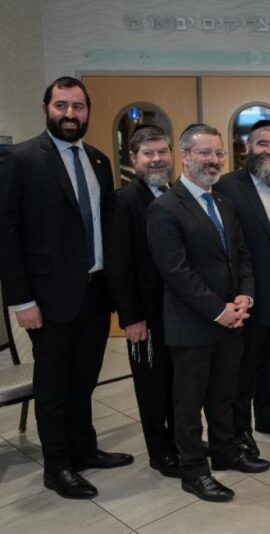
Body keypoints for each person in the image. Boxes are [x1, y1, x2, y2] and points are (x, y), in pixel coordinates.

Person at [0, 77, 133, 499]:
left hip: (95, 292)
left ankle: (84, 450)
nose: (70, 114)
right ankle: (57, 467)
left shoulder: (99, 161)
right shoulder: (20, 159)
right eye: (62, 105)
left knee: (84, 380)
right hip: (47, 298)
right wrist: (21, 300)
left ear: (88, 111)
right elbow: (6, 235)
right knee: (54, 387)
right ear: (46, 108)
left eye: (78, 106)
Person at [147, 123, 269, 503]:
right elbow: (176, 272)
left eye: (219, 153)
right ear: (184, 157)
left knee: (223, 394)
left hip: (231, 322)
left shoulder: (224, 204)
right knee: (188, 404)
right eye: (204, 153)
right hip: (191, 326)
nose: (214, 160)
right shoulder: (165, 208)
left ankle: (226, 451)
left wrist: (245, 296)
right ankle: (194, 470)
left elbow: (242, 256)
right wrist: (219, 311)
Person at [216, 120, 270, 455]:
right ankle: (240, 429)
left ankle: (268, 417)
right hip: (249, 294)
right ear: (247, 148)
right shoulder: (228, 187)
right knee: (244, 367)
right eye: (263, 144)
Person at [106, 126, 179, 478]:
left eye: (162, 152)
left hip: (179, 312)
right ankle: (160, 453)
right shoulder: (124, 201)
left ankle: (181, 441)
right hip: (145, 315)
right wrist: (131, 317)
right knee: (152, 386)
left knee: (179, 383)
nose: (156, 159)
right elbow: (118, 265)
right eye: (148, 153)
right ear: (133, 158)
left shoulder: (178, 193)